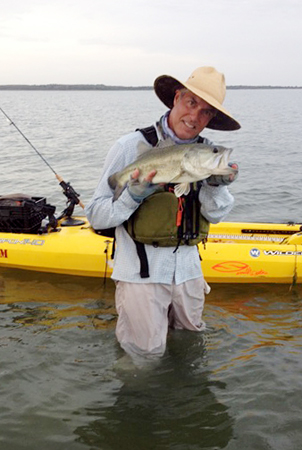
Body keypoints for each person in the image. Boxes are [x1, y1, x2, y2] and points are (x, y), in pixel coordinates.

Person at [85, 66, 240, 364]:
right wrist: (131, 195)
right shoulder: (129, 147)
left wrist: (216, 185)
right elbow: (96, 215)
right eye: (191, 103)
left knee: (191, 349)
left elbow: (216, 214)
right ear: (176, 98)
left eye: (206, 112)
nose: (195, 117)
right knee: (143, 359)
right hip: (141, 275)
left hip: (189, 275)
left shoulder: (208, 155)